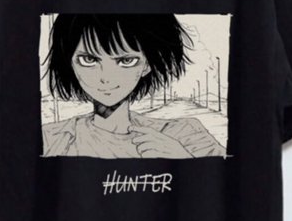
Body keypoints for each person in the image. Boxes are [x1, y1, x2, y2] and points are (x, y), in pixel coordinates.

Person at [41, 13, 228, 159]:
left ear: (147, 65)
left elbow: (231, 186)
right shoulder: (51, 138)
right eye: (89, 59)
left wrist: (182, 158)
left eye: (126, 61)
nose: (106, 78)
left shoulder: (186, 134)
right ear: (69, 62)